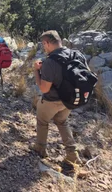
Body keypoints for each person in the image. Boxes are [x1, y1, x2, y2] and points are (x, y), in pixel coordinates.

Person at [31, 30, 81, 165]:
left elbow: (44, 89)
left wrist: (36, 70)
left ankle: (40, 149)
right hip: (70, 100)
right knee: (62, 121)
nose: (44, 48)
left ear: (47, 43)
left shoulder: (50, 61)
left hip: (52, 101)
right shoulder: (74, 54)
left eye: (43, 44)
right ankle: (72, 153)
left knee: (42, 121)